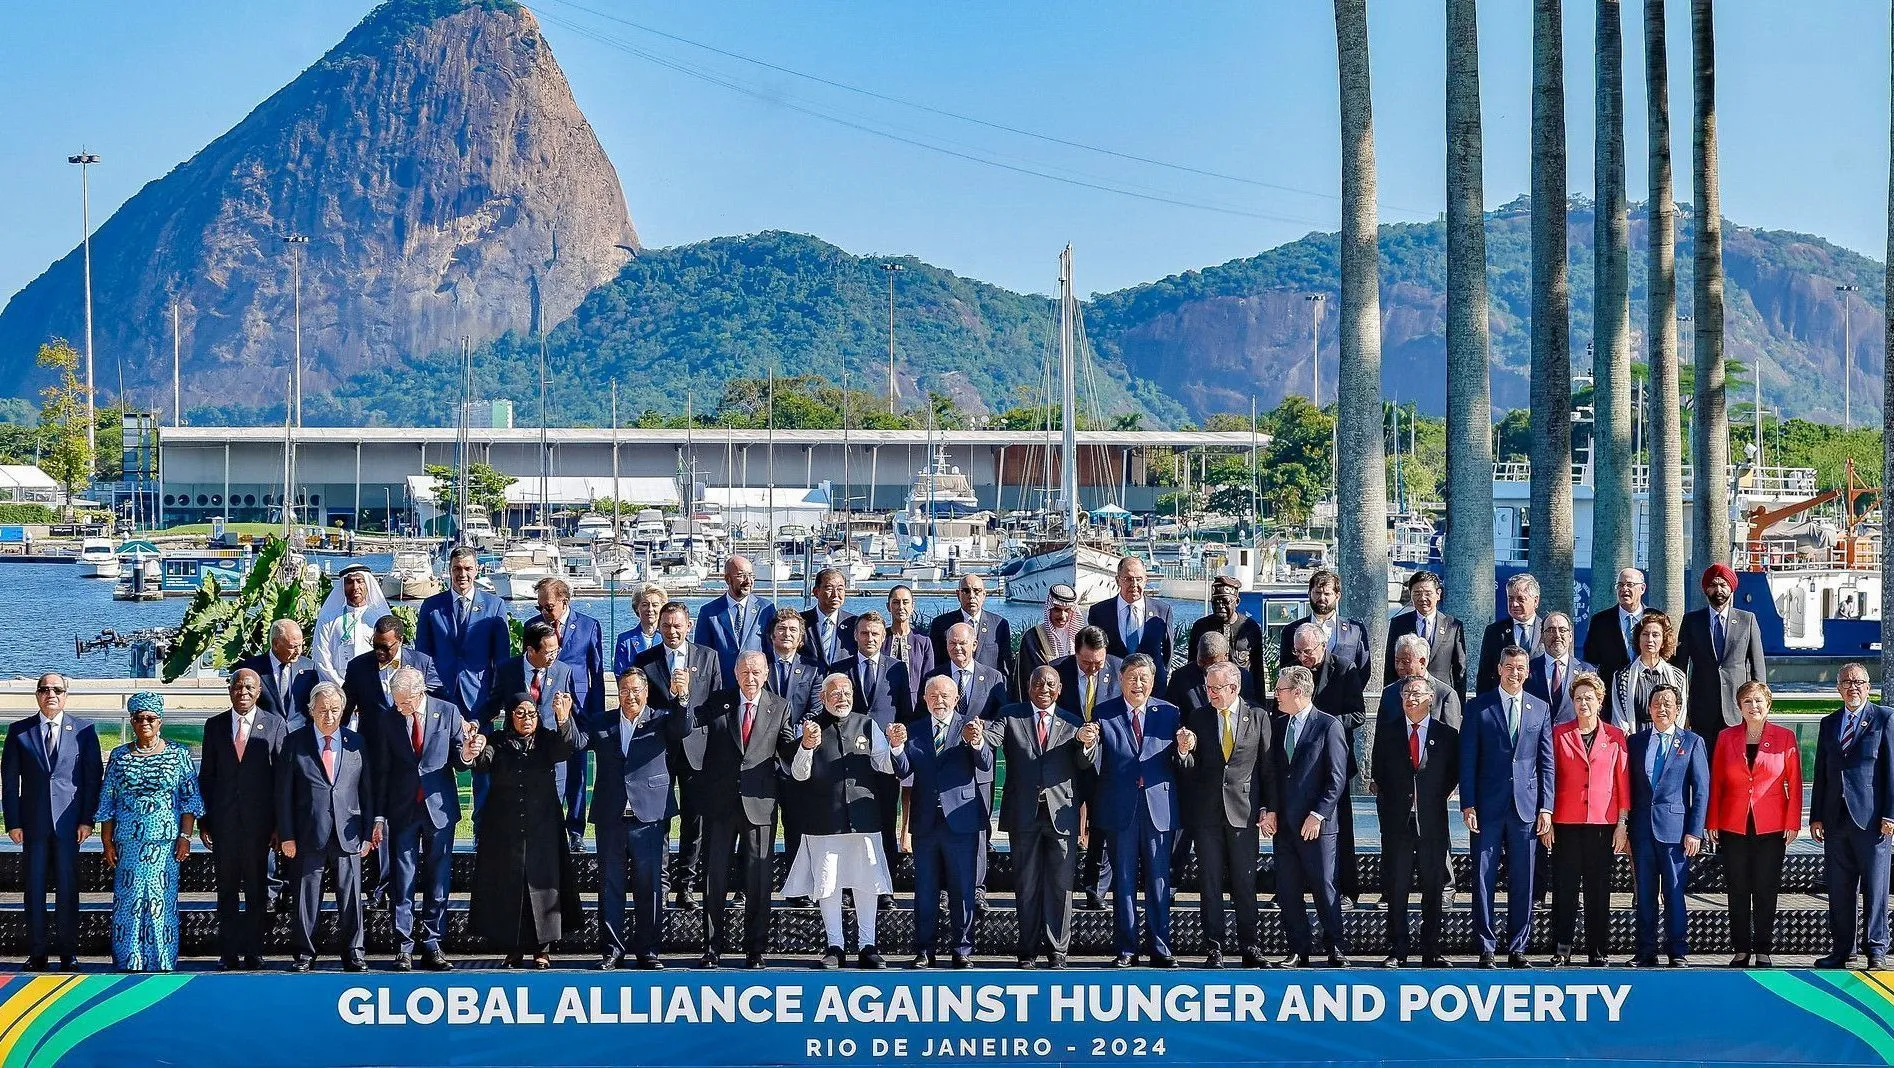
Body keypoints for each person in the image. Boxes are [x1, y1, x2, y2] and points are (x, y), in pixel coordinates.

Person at [681, 651, 799, 969]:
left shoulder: (780, 707)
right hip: (719, 804)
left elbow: (786, 748)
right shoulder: (719, 702)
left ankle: (755, 949)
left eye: (756, 672)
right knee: (714, 878)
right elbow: (690, 727)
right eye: (745, 671)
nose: (750, 677)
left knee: (759, 881)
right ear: (735, 673)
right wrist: (682, 698)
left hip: (759, 804)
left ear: (766, 674)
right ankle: (711, 948)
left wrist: (806, 744)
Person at [784, 675, 907, 969]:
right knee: (828, 884)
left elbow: (886, 766)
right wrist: (806, 746)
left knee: (867, 884)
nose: (842, 697)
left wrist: (896, 746)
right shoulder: (812, 728)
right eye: (835, 693)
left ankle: (868, 945)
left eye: (846, 692)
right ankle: (834, 945)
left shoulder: (866, 724)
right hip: (824, 822)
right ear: (823, 698)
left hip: (864, 821)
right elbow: (799, 774)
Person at [458, 690, 584, 968]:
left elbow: (568, 747)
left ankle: (543, 949)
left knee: (544, 888)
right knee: (510, 888)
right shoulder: (498, 741)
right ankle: (513, 948)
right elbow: (480, 763)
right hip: (505, 829)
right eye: (520, 713)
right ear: (510, 716)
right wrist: (470, 751)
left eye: (532, 714)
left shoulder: (547, 740)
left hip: (543, 828)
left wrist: (564, 720)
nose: (527, 719)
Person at [988, 667, 1099, 968]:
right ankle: (1027, 951)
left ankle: (1057, 951)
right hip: (1023, 814)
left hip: (1061, 816)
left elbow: (1083, 764)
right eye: (1038, 683)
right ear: (1028, 685)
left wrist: (1087, 743)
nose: (1044, 688)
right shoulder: (1011, 715)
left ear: (1060, 688)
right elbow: (990, 739)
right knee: (1026, 884)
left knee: (1061, 886)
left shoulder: (1073, 722)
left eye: (1050, 684)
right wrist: (976, 736)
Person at [582, 667, 682, 971]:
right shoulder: (603, 722)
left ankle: (648, 950)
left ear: (646, 692)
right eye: (624, 690)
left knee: (650, 886)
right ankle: (612, 949)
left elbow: (684, 726)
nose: (630, 696)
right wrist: (562, 719)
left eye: (636, 690)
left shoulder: (662, 719)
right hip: (611, 816)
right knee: (610, 885)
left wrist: (682, 697)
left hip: (649, 816)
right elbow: (574, 741)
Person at [1175, 662, 1274, 968]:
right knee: (1210, 881)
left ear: (1235, 688)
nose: (1211, 694)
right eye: (1208, 688)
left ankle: (1250, 945)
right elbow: (1189, 771)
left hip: (1243, 814)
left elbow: (1267, 768)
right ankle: (1214, 947)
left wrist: (1268, 809)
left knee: (1245, 882)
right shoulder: (1199, 717)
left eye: (1217, 688)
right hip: (1207, 814)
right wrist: (1183, 752)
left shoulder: (1257, 716)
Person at [1460, 646, 1554, 968]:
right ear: (1499, 668)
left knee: (1524, 878)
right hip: (1486, 807)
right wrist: (1468, 803)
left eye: (1521, 668)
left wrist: (1546, 808)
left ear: (1528, 672)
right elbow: (1468, 759)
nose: (1515, 673)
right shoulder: (1478, 707)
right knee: (1483, 876)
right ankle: (1486, 947)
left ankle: (1518, 947)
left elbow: (1546, 763)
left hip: (1526, 808)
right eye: (1509, 666)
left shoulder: (1539, 709)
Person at [95, 693, 203, 973]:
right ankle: (129, 960)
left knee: (160, 902)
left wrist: (185, 837)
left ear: (160, 722)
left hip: (165, 843)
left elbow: (189, 799)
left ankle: (162, 960)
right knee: (129, 902)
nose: (144, 722)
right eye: (139, 718)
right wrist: (106, 841)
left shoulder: (178, 754)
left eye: (150, 718)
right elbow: (108, 799)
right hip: (129, 842)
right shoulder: (119, 755)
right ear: (131, 721)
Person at [277, 682, 379, 972]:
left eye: (335, 710)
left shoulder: (355, 742)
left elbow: (366, 789)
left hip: (349, 833)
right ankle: (305, 954)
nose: (329, 716)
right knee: (305, 897)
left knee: (351, 897)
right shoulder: (294, 742)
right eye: (323, 710)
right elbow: (282, 793)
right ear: (311, 711)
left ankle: (354, 952)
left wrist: (368, 831)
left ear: (343, 710)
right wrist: (287, 835)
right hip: (308, 833)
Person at [3, 673, 102, 970]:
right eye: (45, 690)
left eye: (57, 690)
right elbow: (9, 782)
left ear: (66, 695)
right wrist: (13, 822)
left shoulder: (84, 730)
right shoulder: (20, 731)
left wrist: (87, 819)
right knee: (33, 890)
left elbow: (92, 779)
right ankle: (37, 953)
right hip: (32, 825)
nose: (51, 694)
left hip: (70, 826)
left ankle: (68, 953)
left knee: (68, 889)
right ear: (36, 695)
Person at [1090, 654, 1182, 967]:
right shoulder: (1104, 713)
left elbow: (1180, 763)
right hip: (1121, 808)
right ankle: (1127, 948)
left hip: (1158, 807)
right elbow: (1094, 761)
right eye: (1131, 677)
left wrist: (1185, 750)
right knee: (1124, 881)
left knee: (1159, 881)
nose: (1138, 684)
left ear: (1153, 681)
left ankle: (1160, 947)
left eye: (1144, 678)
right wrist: (1087, 744)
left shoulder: (1169, 713)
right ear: (1121, 680)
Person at [898, 675, 993, 968]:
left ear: (956, 699)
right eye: (934, 696)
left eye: (945, 696)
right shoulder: (914, 730)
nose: (939, 701)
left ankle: (962, 949)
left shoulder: (970, 726)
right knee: (925, 890)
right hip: (926, 823)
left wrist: (977, 743)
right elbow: (903, 771)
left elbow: (986, 763)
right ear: (925, 699)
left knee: (963, 889)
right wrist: (896, 748)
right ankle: (924, 949)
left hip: (962, 821)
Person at [1708, 680, 1803, 968]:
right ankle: (1740, 950)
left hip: (1771, 825)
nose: (1754, 706)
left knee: (1765, 888)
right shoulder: (1726, 737)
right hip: (1733, 823)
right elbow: (1717, 783)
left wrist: (1792, 821)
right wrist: (1712, 820)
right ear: (1739, 707)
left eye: (1759, 701)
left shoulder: (1785, 737)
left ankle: (1763, 949)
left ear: (1768, 705)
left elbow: (1794, 783)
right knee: (1737, 888)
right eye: (1747, 701)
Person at [371, 668, 460, 972]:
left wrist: (471, 753)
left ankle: (433, 943)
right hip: (402, 808)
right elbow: (382, 770)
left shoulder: (448, 712)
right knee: (402, 878)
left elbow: (460, 759)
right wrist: (379, 816)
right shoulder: (388, 719)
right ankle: (403, 945)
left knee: (438, 880)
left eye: (405, 703)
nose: (400, 708)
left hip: (439, 808)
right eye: (396, 702)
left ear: (420, 692)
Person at [198, 668, 287, 970]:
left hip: (260, 826)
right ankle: (228, 952)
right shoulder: (215, 725)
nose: (243, 692)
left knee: (257, 890)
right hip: (224, 823)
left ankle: (254, 951)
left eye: (249, 687)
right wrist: (205, 820)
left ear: (259, 691)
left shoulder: (275, 725)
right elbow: (207, 776)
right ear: (230, 690)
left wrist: (278, 825)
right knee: (226, 889)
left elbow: (281, 780)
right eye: (238, 687)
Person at [415, 546, 511, 825]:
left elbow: (500, 663)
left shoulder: (494, 607)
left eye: (468, 569)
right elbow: (423, 658)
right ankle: (440, 831)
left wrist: (487, 710)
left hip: (480, 704)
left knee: (483, 773)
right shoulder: (431, 607)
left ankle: (482, 834)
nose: (462, 575)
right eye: (457, 569)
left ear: (477, 570)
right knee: (439, 767)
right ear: (449, 571)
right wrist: (441, 701)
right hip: (442, 703)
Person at [635, 602, 720, 910]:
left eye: (677, 625)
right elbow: (643, 707)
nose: (672, 631)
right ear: (658, 626)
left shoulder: (707, 657)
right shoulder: (645, 661)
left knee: (694, 821)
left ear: (689, 625)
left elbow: (716, 703)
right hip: (659, 750)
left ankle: (686, 885)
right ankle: (661, 884)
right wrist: (673, 707)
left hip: (697, 751)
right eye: (666, 625)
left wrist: (690, 720)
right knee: (660, 818)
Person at [1811, 664, 1894, 969]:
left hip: (1872, 821)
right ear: (1838, 688)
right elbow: (1821, 773)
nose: (1853, 687)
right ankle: (1842, 950)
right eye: (1847, 682)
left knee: (1875, 888)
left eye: (1859, 682)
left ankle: (1876, 950)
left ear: (1868, 686)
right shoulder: (1829, 723)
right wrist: (1816, 815)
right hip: (1835, 820)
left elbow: (1892, 771)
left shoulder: (1884, 718)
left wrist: (1891, 814)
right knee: (1839, 888)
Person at [1373, 676, 1460, 967]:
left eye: (1418, 693)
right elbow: (1379, 774)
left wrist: (1428, 799)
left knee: (1433, 888)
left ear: (1430, 698)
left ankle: (1431, 950)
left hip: (1432, 821)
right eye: (1406, 693)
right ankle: (1397, 950)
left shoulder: (1446, 735)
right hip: (1397, 822)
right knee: (1396, 888)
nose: (1411, 698)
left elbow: (1451, 776)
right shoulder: (1387, 732)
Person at [1269, 664, 1350, 967]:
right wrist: (1270, 810)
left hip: (1316, 824)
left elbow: (1337, 777)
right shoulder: (1278, 726)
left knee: (1324, 886)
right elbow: (1274, 773)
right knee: (1288, 889)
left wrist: (1318, 815)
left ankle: (1335, 946)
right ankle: (1298, 948)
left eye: (1280, 690)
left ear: (1298, 692)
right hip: (1286, 826)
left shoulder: (1328, 726)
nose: (1276, 695)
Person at [1547, 673, 1629, 966]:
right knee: (1565, 887)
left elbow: (1622, 782)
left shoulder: (1615, 736)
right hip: (1566, 822)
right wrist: (1548, 820)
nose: (1583, 703)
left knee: (1598, 888)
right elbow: (1549, 778)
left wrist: (1622, 823)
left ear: (1600, 701)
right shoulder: (1559, 733)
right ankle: (1563, 947)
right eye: (1578, 698)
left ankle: (1598, 949)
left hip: (1602, 823)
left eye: (1589, 698)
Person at [1626, 684, 1709, 967]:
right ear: (1649, 709)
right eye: (1657, 703)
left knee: (1674, 892)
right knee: (1645, 894)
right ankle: (1645, 951)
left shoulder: (1692, 742)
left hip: (1675, 831)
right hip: (1641, 830)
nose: (1662, 708)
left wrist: (1695, 831)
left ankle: (1678, 951)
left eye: (1668, 703)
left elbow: (1700, 791)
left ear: (1677, 709)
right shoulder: (1635, 742)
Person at [836, 611, 913, 889]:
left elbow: (906, 712)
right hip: (848, 759)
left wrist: (900, 742)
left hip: (884, 761)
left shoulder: (897, 669)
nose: (870, 638)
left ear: (884, 637)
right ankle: (847, 887)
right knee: (848, 826)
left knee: (884, 825)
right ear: (856, 635)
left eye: (876, 634)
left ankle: (885, 887)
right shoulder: (839, 668)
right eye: (865, 633)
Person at [530, 577, 606, 853]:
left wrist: (595, 717)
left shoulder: (589, 626)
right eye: (540, 607)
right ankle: (547, 827)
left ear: (564, 601)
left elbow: (596, 674)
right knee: (547, 771)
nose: (544, 613)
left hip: (580, 710)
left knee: (578, 772)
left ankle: (575, 830)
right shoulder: (533, 627)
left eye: (549, 607)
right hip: (545, 709)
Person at [1289, 625, 1364, 906]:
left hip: (1334, 759)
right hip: (1300, 762)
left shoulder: (1344, 669)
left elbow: (1357, 715)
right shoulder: (1292, 669)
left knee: (1340, 825)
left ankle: (1346, 887)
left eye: (1307, 651)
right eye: (1298, 651)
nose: (1303, 657)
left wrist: (1323, 723)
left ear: (1323, 645)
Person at [1055, 625, 1120, 911]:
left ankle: (1096, 890)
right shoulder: (1058, 671)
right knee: (1063, 827)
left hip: (1105, 763)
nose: (1092, 668)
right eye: (1086, 662)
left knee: (1102, 829)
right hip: (1066, 760)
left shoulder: (1119, 669)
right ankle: (1060, 887)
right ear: (1076, 652)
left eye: (1098, 662)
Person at [1675, 562, 1768, 745]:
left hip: (1737, 708)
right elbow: (1680, 668)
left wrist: (1759, 704)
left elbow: (1758, 667)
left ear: (1731, 588)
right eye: (1713, 585)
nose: (1718, 589)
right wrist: (1681, 707)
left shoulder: (1747, 620)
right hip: (1702, 708)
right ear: (1706, 589)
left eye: (1723, 584)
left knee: (1735, 766)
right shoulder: (1692, 621)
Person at [341, 614, 442, 737]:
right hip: (373, 744)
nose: (379, 651)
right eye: (375, 645)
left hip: (410, 742)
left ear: (400, 640)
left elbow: (439, 701)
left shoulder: (422, 663)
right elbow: (345, 709)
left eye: (385, 647)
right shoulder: (358, 667)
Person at [1279, 569, 1370, 696]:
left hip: (1341, 706)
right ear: (1309, 593)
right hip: (1303, 704)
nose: (1321, 598)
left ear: (1337, 596)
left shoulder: (1355, 631)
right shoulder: (1291, 631)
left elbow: (1363, 671)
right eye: (1317, 593)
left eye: (1327, 594)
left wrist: (1349, 695)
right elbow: (1285, 670)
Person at [1088, 556, 1175, 690]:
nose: (1134, 584)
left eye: (1138, 579)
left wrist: (1161, 675)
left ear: (1146, 580)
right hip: (1112, 687)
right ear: (1118, 580)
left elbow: (1168, 653)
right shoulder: (1099, 612)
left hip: (1152, 689)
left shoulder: (1163, 611)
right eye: (1128, 579)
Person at [1382, 571, 1467, 697]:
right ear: (1411, 595)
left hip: (1440, 698)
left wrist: (1459, 707)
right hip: (1408, 697)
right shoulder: (1398, 623)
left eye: (1428, 593)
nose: (1422, 598)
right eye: (1417, 593)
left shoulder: (1453, 626)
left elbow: (1460, 670)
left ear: (1438, 594)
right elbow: (1390, 665)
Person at [697, 556, 778, 688]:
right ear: (728, 579)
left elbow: (772, 650)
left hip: (756, 687)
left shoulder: (766, 608)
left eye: (751, 575)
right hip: (722, 688)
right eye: (741, 575)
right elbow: (702, 655)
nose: (748, 581)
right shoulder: (709, 612)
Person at [1583, 568, 1648, 726]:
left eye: (1629, 585)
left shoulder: (1655, 619)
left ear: (1642, 588)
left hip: (1647, 701)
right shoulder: (1600, 621)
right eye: (1620, 585)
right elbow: (1590, 661)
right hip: (1611, 704)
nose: (1624, 589)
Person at [312, 563, 391, 687]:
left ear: (367, 584)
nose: (355, 587)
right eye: (349, 582)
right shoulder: (328, 618)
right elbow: (321, 658)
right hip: (337, 690)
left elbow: (390, 655)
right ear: (343, 586)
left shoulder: (380, 618)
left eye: (360, 581)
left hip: (374, 689)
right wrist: (342, 687)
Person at [235, 618, 319, 730]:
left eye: (300, 645)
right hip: (264, 736)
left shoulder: (309, 667)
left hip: (299, 738)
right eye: (293, 646)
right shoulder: (252, 668)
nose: (299, 651)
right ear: (276, 644)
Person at [1612, 611, 1688, 730]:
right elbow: (1619, 718)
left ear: (1663, 641)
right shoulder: (1622, 677)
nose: (1650, 639)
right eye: (1645, 634)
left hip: (1667, 741)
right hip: (1634, 741)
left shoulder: (1678, 677)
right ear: (1638, 639)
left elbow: (1680, 714)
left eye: (1656, 635)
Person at [928, 574, 1012, 682]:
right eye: (966, 591)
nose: (972, 596)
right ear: (958, 594)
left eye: (977, 591)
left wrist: (1002, 695)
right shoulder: (941, 624)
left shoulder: (999, 625)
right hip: (951, 690)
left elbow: (1005, 668)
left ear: (984, 595)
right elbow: (935, 663)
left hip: (988, 693)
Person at [1377, 634, 1462, 734]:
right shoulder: (1389, 693)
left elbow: (1451, 740)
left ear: (1422, 662)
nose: (1400, 667)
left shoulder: (1445, 695)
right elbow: (1381, 738)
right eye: (1397, 661)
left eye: (1405, 662)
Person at [1476, 574, 1546, 695]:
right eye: (1510, 598)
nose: (1514, 604)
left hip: (1538, 703)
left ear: (1535, 600)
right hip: (1502, 701)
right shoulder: (1494, 631)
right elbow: (1485, 674)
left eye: (1520, 599)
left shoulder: (1547, 630)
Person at [1187, 577, 1265, 682]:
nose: (1220, 606)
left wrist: (1259, 697)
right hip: (1208, 689)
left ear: (1236, 602)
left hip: (1243, 691)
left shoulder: (1250, 627)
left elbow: (1257, 667)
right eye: (1215, 602)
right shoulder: (1201, 627)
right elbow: (1191, 664)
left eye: (1225, 602)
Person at [930, 622, 1010, 722]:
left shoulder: (993, 678)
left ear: (974, 645)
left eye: (962, 643)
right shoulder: (933, 677)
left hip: (981, 735)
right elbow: (924, 716)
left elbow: (1002, 718)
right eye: (952, 643)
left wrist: (982, 728)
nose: (957, 648)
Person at [1165, 632, 1256, 714]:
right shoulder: (1180, 678)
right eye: (1202, 661)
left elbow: (1249, 712)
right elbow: (1170, 713)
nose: (1207, 668)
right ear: (1197, 652)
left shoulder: (1242, 677)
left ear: (1225, 656)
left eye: (1213, 663)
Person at [1526, 613, 1592, 725]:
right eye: (1551, 630)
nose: (1557, 635)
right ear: (1541, 636)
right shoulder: (1528, 669)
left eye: (1562, 630)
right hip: (1538, 739)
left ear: (1570, 636)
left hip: (1574, 738)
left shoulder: (1587, 671)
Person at [1019, 583, 1084, 683]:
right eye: (1057, 610)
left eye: (1067, 610)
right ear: (1049, 610)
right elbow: (1027, 674)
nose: (1063, 616)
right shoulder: (1033, 637)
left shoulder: (1080, 637)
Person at [883, 584, 935, 704]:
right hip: (885, 703)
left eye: (905, 602)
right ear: (888, 606)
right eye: (896, 602)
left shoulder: (923, 641)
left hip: (915, 706)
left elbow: (928, 678)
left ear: (912, 606)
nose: (901, 607)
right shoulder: (880, 638)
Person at [800, 569, 857, 671]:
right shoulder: (801, 621)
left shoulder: (853, 623)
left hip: (841, 682)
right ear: (816, 592)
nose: (835, 594)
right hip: (808, 682)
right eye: (829, 588)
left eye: (840, 589)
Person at [612, 582, 670, 675]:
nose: (650, 609)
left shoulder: (669, 637)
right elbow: (620, 674)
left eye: (655, 605)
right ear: (636, 608)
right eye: (644, 605)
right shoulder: (625, 640)